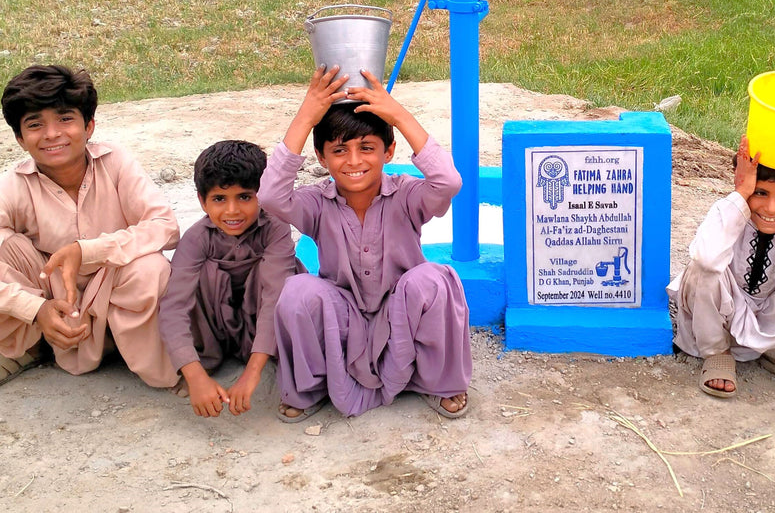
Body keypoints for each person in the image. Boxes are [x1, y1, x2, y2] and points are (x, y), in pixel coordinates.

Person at [259, 66, 472, 422]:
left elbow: (448, 182)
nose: (354, 161)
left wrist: (398, 115)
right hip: (342, 319)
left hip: (402, 312)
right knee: (297, 291)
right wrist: (305, 115)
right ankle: (309, 388)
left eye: (367, 148)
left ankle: (440, 382)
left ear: (388, 152)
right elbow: (270, 197)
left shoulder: (406, 193)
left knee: (434, 280)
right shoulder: (315, 202)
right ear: (322, 157)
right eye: (339, 150)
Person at [0, 64, 178, 388]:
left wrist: (86, 251)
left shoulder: (115, 162)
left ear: (89, 125)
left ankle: (140, 356)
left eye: (65, 119)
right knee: (6, 246)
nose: (52, 134)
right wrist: (36, 308)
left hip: (114, 291)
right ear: (20, 139)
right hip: (56, 301)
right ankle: (34, 344)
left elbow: (166, 226)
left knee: (151, 268)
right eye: (35, 125)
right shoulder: (13, 185)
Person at [667, 136, 775, 400]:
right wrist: (741, 193)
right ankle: (717, 352)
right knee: (703, 271)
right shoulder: (730, 213)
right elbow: (706, 258)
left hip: (774, 318)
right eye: (760, 192)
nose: (772, 208)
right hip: (723, 315)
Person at [159, 140, 304, 417]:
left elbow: (274, 298)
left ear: (263, 195)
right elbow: (174, 308)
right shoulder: (196, 239)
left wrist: (252, 373)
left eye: (245, 197)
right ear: (202, 201)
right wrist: (194, 375)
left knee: (290, 282)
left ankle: (276, 362)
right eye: (219, 199)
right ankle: (207, 360)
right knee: (197, 276)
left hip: (260, 314)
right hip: (219, 321)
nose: (232, 211)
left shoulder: (275, 229)